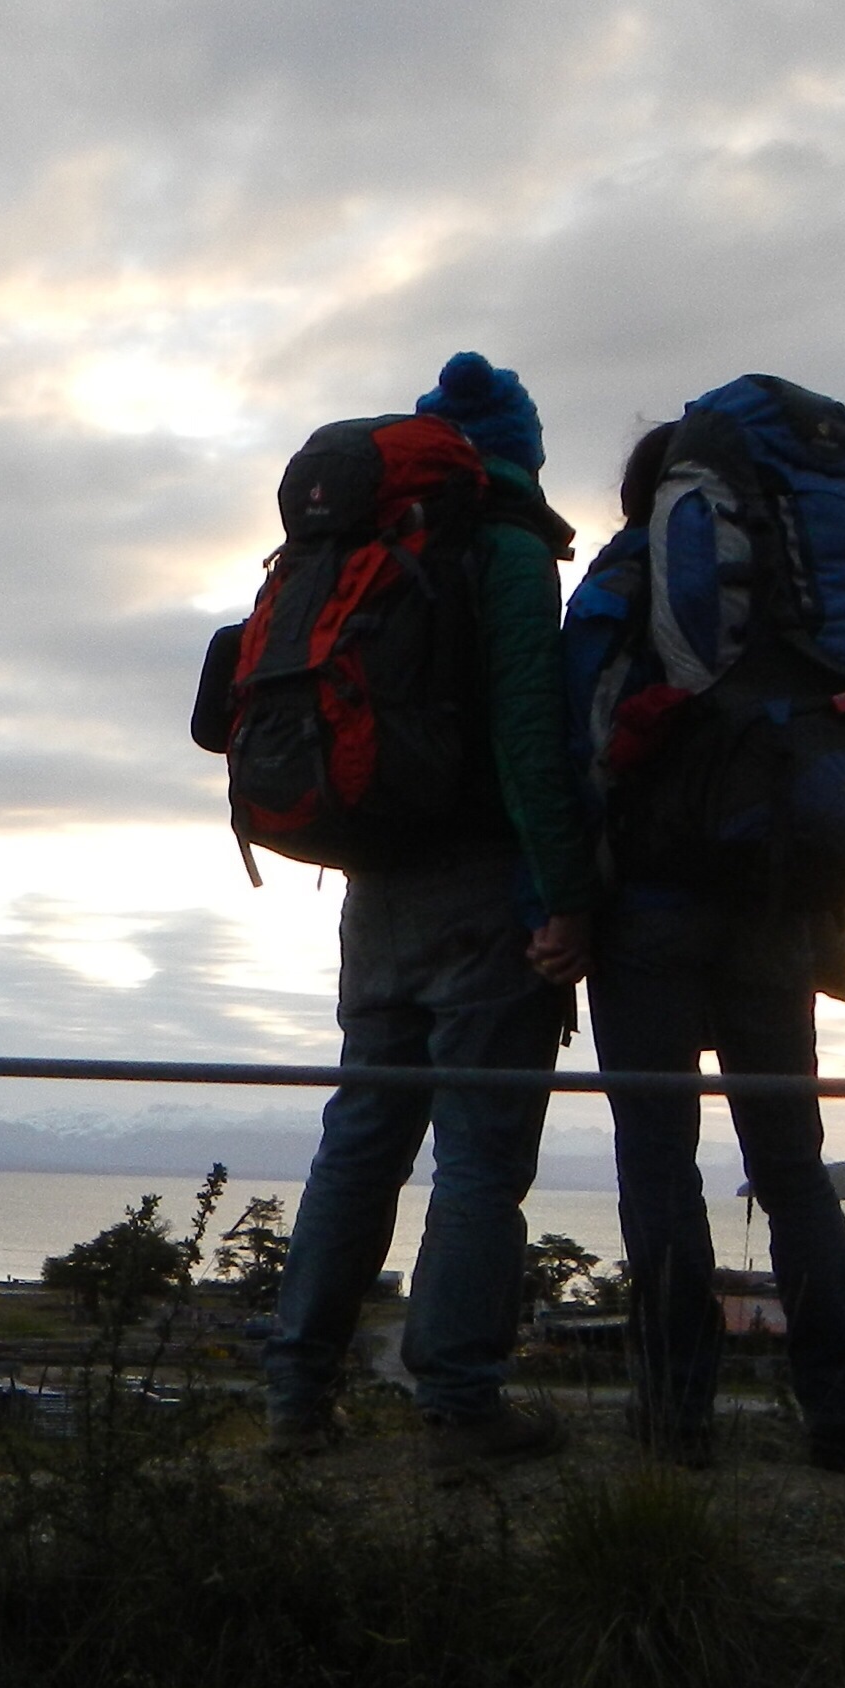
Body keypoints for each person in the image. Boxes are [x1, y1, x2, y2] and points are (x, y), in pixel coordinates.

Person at [254, 353, 600, 1470]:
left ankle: (296, 1397)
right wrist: (562, 894)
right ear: (518, 454)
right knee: (478, 1159)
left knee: (357, 1145)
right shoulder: (500, 551)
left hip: (375, 890)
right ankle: (458, 1404)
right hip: (476, 893)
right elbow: (527, 739)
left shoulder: (350, 543)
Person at [567, 392, 845, 1472]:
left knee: (658, 1164)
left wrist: (561, 899)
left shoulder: (627, 576)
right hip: (776, 917)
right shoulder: (798, 604)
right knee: (791, 1162)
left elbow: (575, 731)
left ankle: (676, 1419)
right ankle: (839, 1410)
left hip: (650, 917)